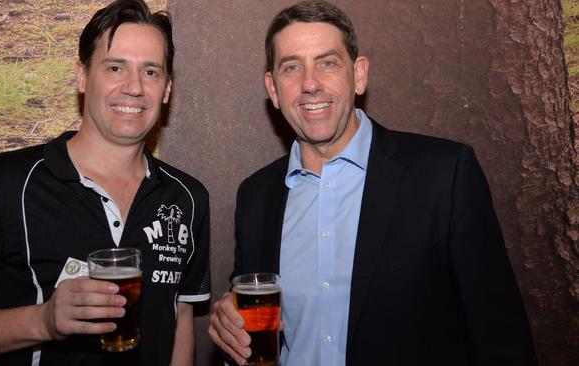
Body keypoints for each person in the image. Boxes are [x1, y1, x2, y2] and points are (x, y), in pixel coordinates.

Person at [208, 1, 537, 365]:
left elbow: (502, 339)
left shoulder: (443, 176)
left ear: (359, 74)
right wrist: (229, 328)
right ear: (273, 88)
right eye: (291, 68)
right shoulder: (257, 197)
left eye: (327, 62)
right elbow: (248, 326)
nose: (310, 84)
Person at [0, 0, 210, 365]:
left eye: (151, 72)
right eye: (114, 67)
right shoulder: (0, 183)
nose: (135, 87)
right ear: (82, 76)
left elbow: (181, 318)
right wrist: (43, 321)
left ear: (167, 89)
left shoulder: (187, 198)